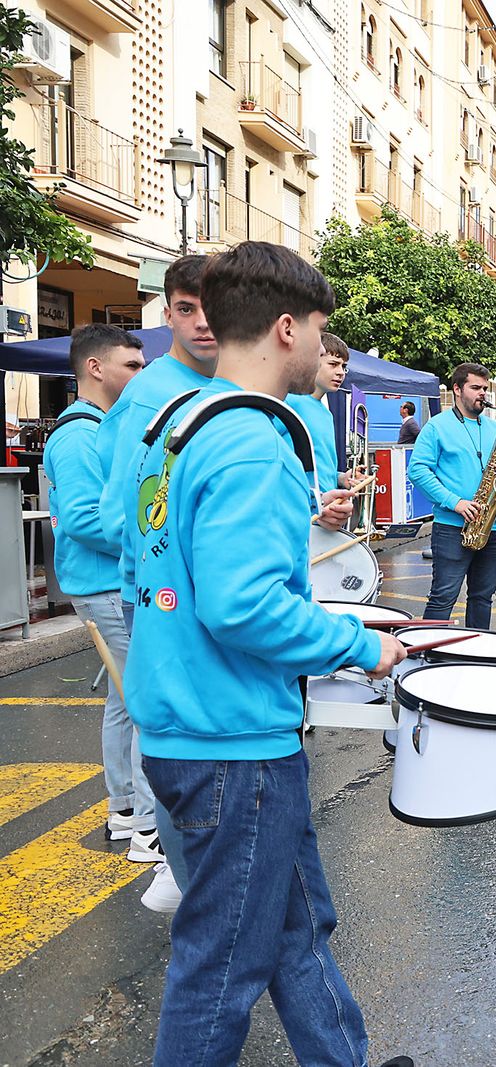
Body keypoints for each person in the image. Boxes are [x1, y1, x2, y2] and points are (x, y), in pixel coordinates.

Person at [122, 241, 412, 1067]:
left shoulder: (173, 425)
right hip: (233, 746)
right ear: (287, 327)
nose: (326, 350)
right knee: (221, 968)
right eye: (321, 331)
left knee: (295, 927)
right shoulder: (252, 442)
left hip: (193, 724)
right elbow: (245, 606)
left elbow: (135, 557)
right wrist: (362, 645)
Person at [96, 254, 218, 907]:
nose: (201, 323)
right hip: (161, 591)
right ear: (165, 312)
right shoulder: (151, 391)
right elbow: (117, 510)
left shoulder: (229, 383)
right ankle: (168, 852)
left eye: (211, 307)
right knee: (169, 723)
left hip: (209, 590)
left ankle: (192, 850)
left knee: (206, 726)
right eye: (185, 308)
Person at [43, 326, 154, 867]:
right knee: (143, 704)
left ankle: (126, 810)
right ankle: (144, 827)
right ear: (95, 368)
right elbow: (88, 520)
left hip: (105, 584)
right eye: (131, 365)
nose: (141, 374)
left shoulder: (96, 430)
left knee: (125, 703)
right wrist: (154, 538)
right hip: (106, 585)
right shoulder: (79, 436)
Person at [407, 363, 496, 630]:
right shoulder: (437, 427)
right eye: (475, 388)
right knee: (443, 598)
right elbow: (418, 470)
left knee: (482, 599)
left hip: (495, 528)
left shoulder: (495, 428)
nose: (482, 393)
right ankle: (428, 658)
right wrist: (454, 502)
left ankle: (477, 656)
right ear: (457, 390)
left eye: (485, 388)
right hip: (453, 527)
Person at [285, 332, 361, 532]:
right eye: (333, 364)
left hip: (327, 517)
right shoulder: (290, 403)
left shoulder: (325, 413)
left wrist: (340, 478)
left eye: (344, 367)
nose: (341, 373)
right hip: (301, 520)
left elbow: (316, 465)